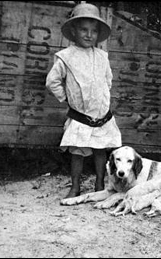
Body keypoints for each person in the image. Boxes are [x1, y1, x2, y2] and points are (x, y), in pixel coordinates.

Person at [46, 3, 122, 199]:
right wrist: (67, 98)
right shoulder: (66, 57)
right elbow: (52, 81)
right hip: (80, 115)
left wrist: (102, 97)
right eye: (84, 30)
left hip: (101, 115)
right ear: (73, 31)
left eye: (94, 31)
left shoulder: (102, 57)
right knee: (78, 152)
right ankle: (75, 186)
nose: (89, 35)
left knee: (100, 150)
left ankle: (99, 184)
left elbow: (108, 80)